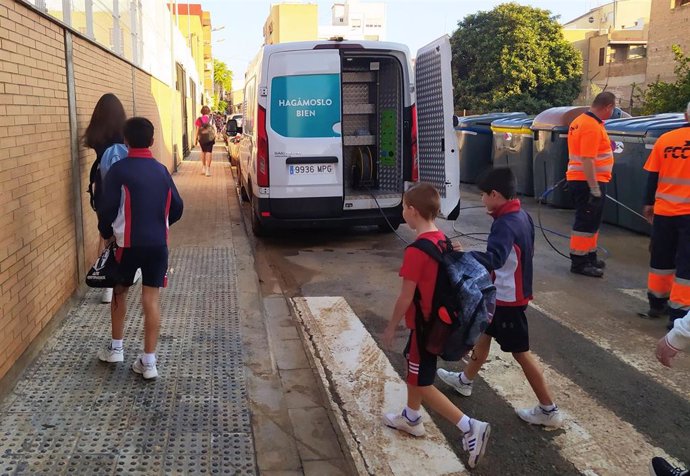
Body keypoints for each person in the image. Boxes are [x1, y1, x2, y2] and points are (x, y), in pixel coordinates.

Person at [437, 168, 563, 428]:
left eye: (484, 195)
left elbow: (494, 258)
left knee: (521, 353)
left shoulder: (505, 224)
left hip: (508, 299)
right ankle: (465, 381)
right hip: (506, 293)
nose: (482, 200)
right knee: (484, 335)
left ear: (495, 194)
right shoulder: (521, 215)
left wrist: (464, 255)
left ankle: (548, 410)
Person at [381, 183, 490, 469]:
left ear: (412, 211)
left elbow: (406, 296)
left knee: (422, 381)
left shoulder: (417, 251)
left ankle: (469, 426)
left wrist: (391, 326)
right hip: (438, 323)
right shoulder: (441, 238)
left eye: (404, 207)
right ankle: (411, 417)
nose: (403, 212)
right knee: (414, 370)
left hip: (425, 326)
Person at [97, 117, 184, 379]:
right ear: (153, 141)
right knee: (151, 298)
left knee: (120, 292)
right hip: (158, 244)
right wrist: (160, 224)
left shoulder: (119, 170)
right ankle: (149, 363)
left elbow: (106, 208)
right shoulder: (161, 170)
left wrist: (108, 233)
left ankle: (116, 349)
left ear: (126, 141)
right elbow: (178, 207)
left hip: (128, 244)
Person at [641, 102, 690, 328]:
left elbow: (653, 175)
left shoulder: (666, 140)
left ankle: (657, 302)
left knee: (661, 258)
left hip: (664, 211)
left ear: (685, 115)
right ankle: (679, 314)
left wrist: (648, 203)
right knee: (686, 263)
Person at [566, 91, 617, 277]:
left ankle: (589, 256)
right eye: (613, 109)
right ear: (608, 107)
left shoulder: (580, 121)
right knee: (586, 221)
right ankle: (579, 262)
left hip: (584, 179)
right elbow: (587, 159)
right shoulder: (590, 126)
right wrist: (594, 188)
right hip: (587, 181)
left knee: (592, 221)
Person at [83, 93, 127, 304]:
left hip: (102, 187)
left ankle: (106, 283)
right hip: (123, 186)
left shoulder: (96, 134)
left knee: (104, 233)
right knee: (123, 227)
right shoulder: (124, 132)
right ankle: (124, 272)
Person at [195, 105, 216, 177]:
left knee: (203, 152)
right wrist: (215, 136)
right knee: (209, 152)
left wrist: (195, 139)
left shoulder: (199, 119)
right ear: (208, 112)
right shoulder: (211, 119)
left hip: (202, 138)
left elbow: (197, 130)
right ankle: (208, 170)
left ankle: (203, 168)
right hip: (210, 138)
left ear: (202, 112)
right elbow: (214, 128)